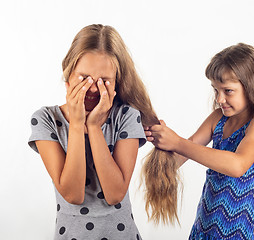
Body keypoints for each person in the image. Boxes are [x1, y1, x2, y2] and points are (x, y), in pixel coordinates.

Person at [145, 43, 254, 239]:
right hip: (208, 226)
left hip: (246, 232)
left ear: (253, 89)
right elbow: (183, 153)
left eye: (228, 91)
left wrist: (177, 142)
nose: (219, 98)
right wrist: (161, 141)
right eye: (216, 90)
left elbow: (237, 165)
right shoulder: (218, 119)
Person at [28, 24, 160, 240]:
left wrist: (94, 127)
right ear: (68, 74)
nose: (92, 88)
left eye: (103, 81)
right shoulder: (45, 120)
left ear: (116, 81)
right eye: (84, 78)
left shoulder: (126, 117)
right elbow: (72, 194)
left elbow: (115, 194)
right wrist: (77, 125)